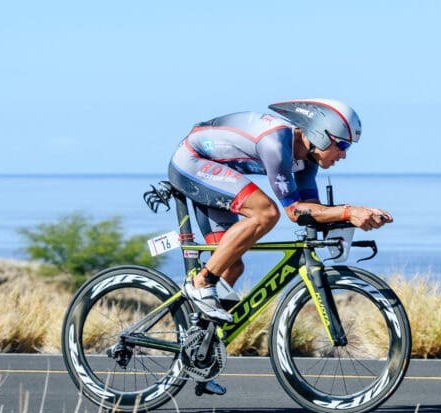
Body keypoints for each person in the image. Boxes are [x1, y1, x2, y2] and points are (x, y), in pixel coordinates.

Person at [168, 98, 393, 323]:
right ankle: (201, 284)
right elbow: (294, 212)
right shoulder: (275, 144)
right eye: (342, 145)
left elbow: (310, 210)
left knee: (232, 266)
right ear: (319, 135)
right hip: (192, 162)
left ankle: (197, 340)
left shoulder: (306, 161)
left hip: (216, 170)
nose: (343, 155)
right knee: (266, 212)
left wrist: (355, 215)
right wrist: (347, 211)